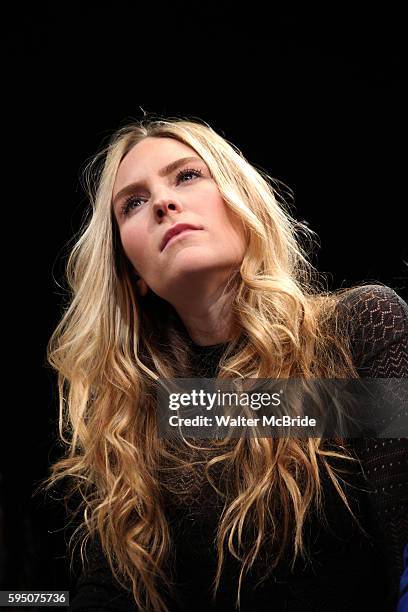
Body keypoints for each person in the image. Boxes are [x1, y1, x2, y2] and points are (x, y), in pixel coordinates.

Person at [41, 116, 408, 611]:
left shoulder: (359, 327)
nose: (164, 203)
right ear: (132, 273)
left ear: (242, 202)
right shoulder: (134, 415)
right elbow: (104, 594)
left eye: (187, 176)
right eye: (133, 202)